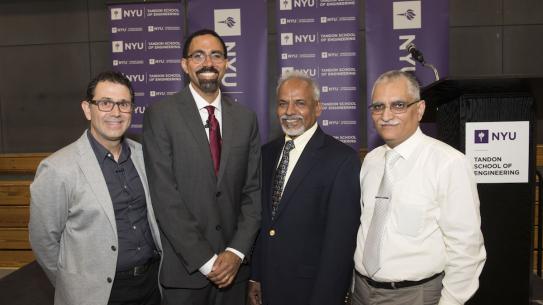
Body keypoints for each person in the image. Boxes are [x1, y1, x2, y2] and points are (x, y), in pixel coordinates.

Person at [142, 29, 261, 305]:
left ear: (226, 64)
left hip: (235, 273)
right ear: (185, 65)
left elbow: (253, 193)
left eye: (216, 55)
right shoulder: (161, 116)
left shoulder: (246, 119)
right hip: (186, 274)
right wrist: (206, 261)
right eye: (198, 55)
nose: (208, 62)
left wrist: (236, 252)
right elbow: (164, 197)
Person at [353, 70, 486, 305]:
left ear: (420, 109)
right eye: (378, 106)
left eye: (398, 105)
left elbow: (466, 248)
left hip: (415, 296)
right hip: (361, 292)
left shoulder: (449, 164)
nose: (386, 115)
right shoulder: (371, 162)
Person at [29, 71, 162, 305]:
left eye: (123, 104)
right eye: (105, 103)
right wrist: (73, 284)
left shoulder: (144, 156)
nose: (115, 112)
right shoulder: (57, 168)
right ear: (87, 109)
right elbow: (44, 241)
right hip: (95, 295)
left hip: (152, 286)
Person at [248, 71, 361, 305]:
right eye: (283, 104)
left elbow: (339, 244)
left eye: (300, 103)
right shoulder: (266, 154)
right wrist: (255, 276)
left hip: (311, 291)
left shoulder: (341, 159)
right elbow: (264, 223)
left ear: (317, 108)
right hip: (268, 286)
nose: (290, 111)